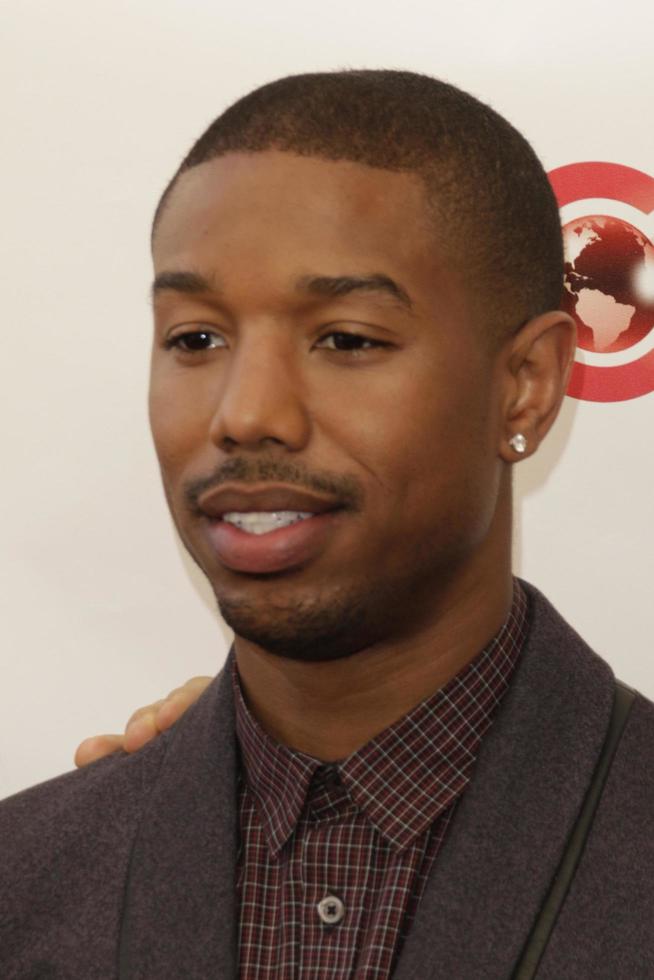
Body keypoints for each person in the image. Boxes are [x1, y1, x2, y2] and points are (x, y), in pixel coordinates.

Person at [1, 69, 653, 979]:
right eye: (196, 339)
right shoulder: (27, 880)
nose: (246, 412)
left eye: (346, 339)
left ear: (526, 385)